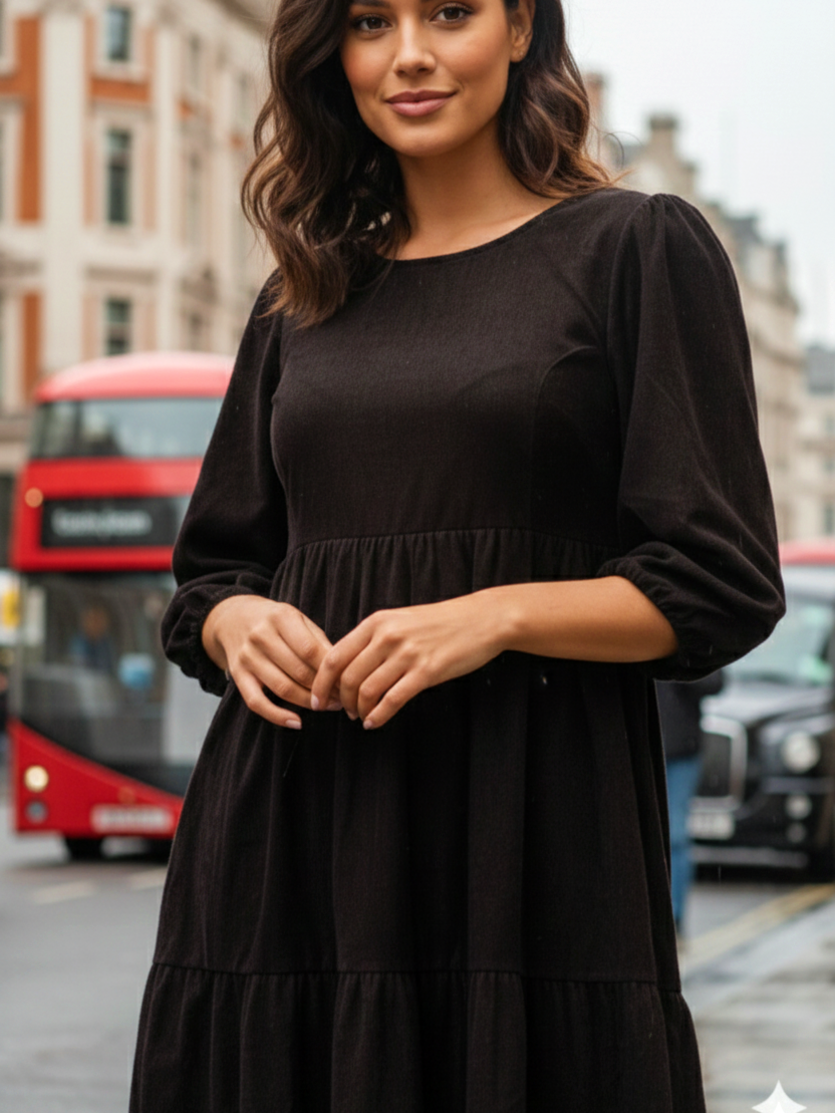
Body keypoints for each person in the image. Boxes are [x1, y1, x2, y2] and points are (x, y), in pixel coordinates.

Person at [130, 0, 785, 1108]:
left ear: (523, 26)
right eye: (372, 22)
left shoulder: (637, 248)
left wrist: (493, 615)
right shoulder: (301, 294)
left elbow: (718, 579)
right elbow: (210, 576)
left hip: (524, 824)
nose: (411, 56)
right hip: (289, 823)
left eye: (449, 12)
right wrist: (240, 624)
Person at [656, 672, 725, 937]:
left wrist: (678, 660)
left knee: (675, 834)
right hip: (642, 746)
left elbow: (714, 680)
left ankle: (673, 916)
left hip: (681, 752)